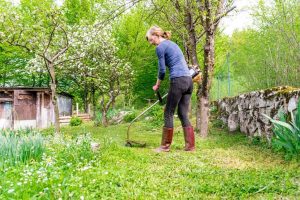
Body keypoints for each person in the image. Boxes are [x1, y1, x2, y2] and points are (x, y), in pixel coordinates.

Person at [146, 25, 195, 152]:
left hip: (178, 80)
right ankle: (190, 146)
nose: (151, 43)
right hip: (189, 80)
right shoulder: (172, 44)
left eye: (151, 40)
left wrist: (157, 85)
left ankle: (165, 146)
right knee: (182, 113)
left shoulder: (160, 47)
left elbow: (162, 70)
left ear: (156, 35)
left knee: (168, 112)